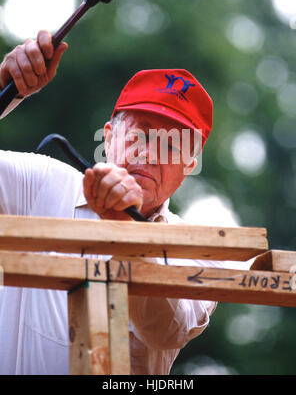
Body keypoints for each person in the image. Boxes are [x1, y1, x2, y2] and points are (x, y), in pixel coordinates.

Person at [0, 31, 221, 375]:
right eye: (139, 134)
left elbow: (166, 330)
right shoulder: (41, 184)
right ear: (109, 136)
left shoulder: (199, 248)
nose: (148, 153)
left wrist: (124, 230)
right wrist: (4, 93)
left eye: (170, 145)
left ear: (190, 165)